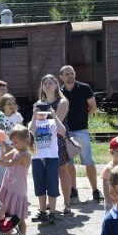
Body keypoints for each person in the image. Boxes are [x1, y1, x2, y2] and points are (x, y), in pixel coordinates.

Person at [60, 65, 101, 203]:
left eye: (71, 73)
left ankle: (95, 190)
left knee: (88, 161)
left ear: (75, 74)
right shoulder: (59, 91)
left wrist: (84, 118)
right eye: (67, 74)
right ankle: (73, 190)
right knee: (69, 162)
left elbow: (93, 107)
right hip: (66, 132)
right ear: (62, 77)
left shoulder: (84, 88)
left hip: (82, 130)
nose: (70, 76)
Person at [0, 125, 33, 235]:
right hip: (8, 188)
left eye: (15, 142)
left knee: (19, 218)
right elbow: (3, 157)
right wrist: (1, 143)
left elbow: (8, 163)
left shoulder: (25, 155)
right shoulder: (15, 151)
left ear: (25, 140)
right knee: (7, 217)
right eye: (12, 142)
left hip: (18, 191)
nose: (13, 144)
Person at [29, 95, 66, 225]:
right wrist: (34, 116)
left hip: (52, 157)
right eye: (39, 109)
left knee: (52, 185)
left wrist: (54, 115)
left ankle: (53, 212)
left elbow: (62, 131)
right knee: (39, 185)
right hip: (37, 158)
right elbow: (30, 133)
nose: (41, 112)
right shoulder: (33, 122)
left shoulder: (52, 122)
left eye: (43, 109)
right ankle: (43, 211)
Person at [39, 74, 72, 214]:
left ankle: (67, 203)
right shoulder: (40, 102)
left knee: (62, 170)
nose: (47, 85)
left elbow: (56, 122)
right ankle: (50, 203)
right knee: (47, 172)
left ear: (56, 85)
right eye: (45, 83)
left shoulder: (62, 102)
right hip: (43, 141)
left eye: (50, 83)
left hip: (58, 139)